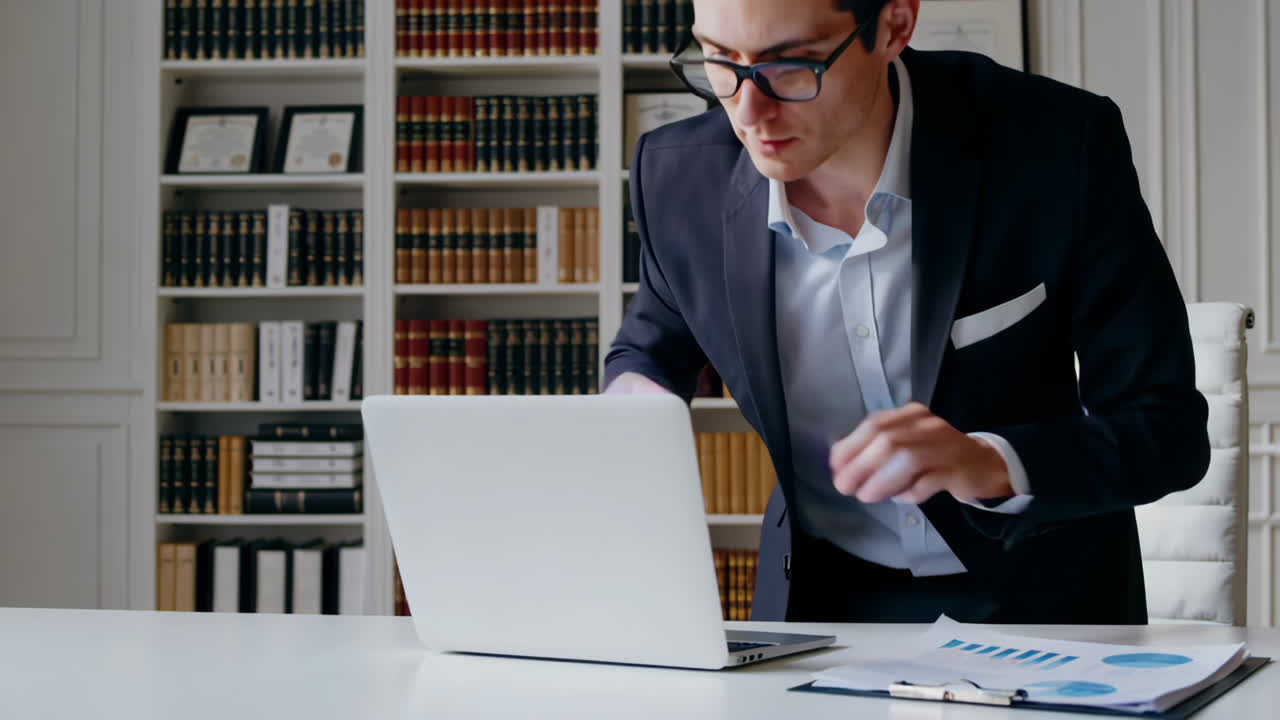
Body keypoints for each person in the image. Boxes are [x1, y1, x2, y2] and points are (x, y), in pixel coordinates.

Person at [603, 0, 1210, 624]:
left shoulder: (1057, 144)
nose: (748, 111)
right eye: (721, 59)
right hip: (818, 608)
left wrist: (989, 462)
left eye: (792, 65)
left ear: (894, 27)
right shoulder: (678, 177)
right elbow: (651, 347)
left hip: (1044, 604)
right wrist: (638, 399)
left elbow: (1166, 430)